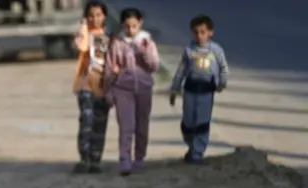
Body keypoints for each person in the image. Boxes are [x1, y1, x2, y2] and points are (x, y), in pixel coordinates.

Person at [104, 8, 160, 176]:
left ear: (140, 23)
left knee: (142, 126)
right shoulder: (117, 42)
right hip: (123, 89)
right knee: (126, 126)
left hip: (143, 88)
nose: (131, 30)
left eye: (134, 26)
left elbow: (154, 66)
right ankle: (124, 159)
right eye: (127, 26)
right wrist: (109, 90)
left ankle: (140, 157)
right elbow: (109, 67)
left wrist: (144, 51)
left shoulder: (147, 42)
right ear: (122, 25)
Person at [169, 15, 228, 164]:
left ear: (210, 32)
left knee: (202, 122)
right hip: (190, 90)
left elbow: (223, 68)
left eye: (203, 32)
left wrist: (222, 83)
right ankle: (191, 145)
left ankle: (197, 152)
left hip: (206, 92)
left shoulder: (216, 50)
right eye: (196, 32)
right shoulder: (189, 50)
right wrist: (175, 89)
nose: (199, 35)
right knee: (188, 122)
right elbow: (181, 71)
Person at [72, 0, 111, 174]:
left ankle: (96, 159)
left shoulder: (110, 38)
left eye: (98, 15)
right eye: (91, 15)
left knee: (100, 123)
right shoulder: (85, 35)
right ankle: (84, 158)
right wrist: (84, 27)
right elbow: (81, 46)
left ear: (104, 17)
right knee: (86, 122)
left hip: (103, 86)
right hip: (85, 85)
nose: (95, 19)